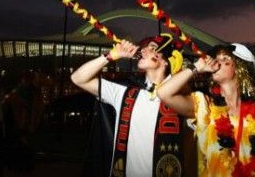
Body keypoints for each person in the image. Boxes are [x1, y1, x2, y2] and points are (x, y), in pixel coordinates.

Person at [71, 33, 188, 176]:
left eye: (152, 48)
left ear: (166, 61)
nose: (143, 50)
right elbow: (78, 78)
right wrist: (112, 55)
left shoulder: (184, 99)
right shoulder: (125, 91)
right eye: (143, 48)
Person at [157, 43, 255, 176]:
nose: (217, 61)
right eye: (217, 58)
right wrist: (196, 67)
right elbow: (164, 93)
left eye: (225, 59)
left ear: (240, 68)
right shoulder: (206, 106)